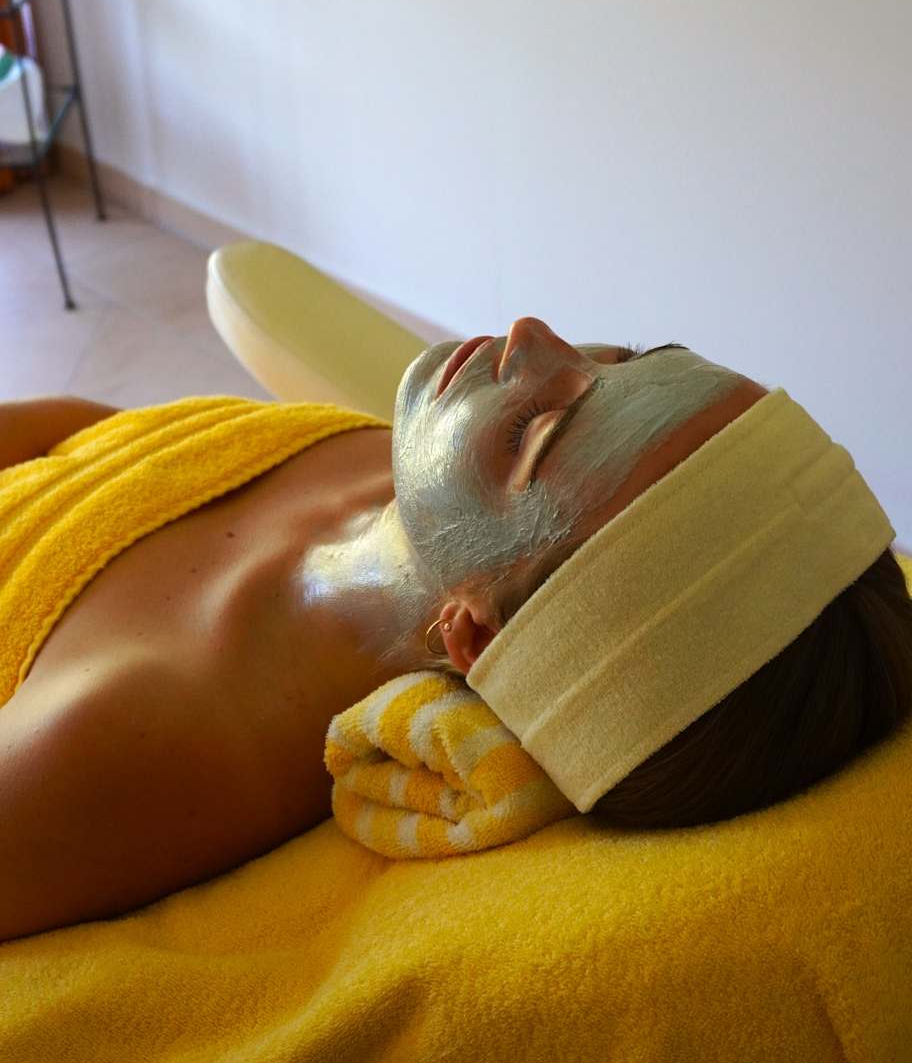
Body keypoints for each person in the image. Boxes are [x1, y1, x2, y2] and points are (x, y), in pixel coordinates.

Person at [0, 318, 909, 943]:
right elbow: (92, 438)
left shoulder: (134, 736)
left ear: (472, 638)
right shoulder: (418, 492)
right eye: (629, 360)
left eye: (534, 432)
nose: (534, 335)